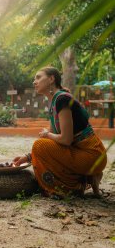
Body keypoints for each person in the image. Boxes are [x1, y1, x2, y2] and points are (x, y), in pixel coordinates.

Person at [13, 66, 107, 198]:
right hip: (79, 152)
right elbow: (52, 140)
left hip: (91, 155)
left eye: (38, 77)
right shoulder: (54, 102)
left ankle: (75, 186)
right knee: (42, 145)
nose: (34, 82)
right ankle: (87, 177)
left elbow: (65, 139)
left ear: (51, 79)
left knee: (40, 145)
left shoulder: (62, 99)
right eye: (34, 79)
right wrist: (28, 157)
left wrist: (47, 134)